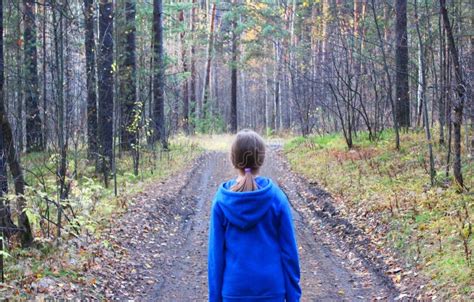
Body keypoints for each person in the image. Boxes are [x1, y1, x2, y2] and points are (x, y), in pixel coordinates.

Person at [208, 129, 301, 302]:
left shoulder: (222, 201)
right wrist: (293, 297)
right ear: (262, 159)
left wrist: (214, 298)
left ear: (233, 160)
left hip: (234, 291)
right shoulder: (276, 198)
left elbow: (216, 257)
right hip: (271, 290)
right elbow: (289, 254)